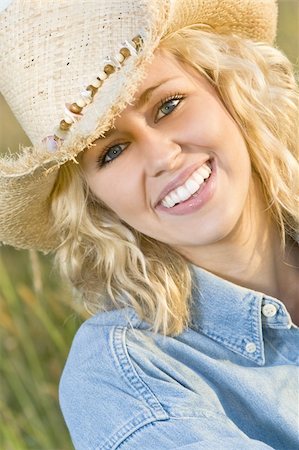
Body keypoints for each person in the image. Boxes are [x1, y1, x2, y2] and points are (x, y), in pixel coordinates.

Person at [0, 0, 298, 448]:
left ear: (227, 89)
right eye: (112, 152)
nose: (161, 156)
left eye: (168, 105)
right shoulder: (126, 374)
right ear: (94, 200)